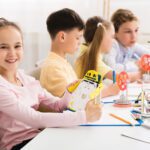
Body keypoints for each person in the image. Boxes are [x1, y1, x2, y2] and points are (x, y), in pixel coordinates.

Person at [0, 18, 101, 150]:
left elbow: (57, 106)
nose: (12, 53)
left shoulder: (25, 79)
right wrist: (84, 116)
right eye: (3, 47)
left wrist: (69, 93)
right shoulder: (2, 88)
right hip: (18, 145)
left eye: (17, 46)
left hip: (39, 137)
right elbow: (35, 118)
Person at [40, 8, 84, 97]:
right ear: (62, 37)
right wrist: (106, 92)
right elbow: (74, 101)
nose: (80, 42)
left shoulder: (62, 62)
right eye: (77, 38)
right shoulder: (53, 68)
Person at [75, 17, 120, 97]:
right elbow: (119, 77)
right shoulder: (90, 58)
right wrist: (139, 74)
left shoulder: (85, 52)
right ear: (101, 37)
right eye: (112, 37)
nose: (113, 41)